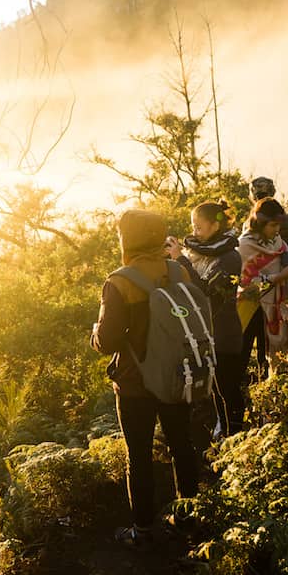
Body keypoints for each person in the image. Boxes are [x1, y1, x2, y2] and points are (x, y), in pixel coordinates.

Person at [91, 209, 198, 545]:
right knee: (182, 445)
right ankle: (188, 517)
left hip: (136, 382)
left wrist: (95, 334)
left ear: (128, 238)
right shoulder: (180, 271)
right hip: (178, 375)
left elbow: (107, 341)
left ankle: (143, 530)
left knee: (138, 456)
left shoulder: (120, 281)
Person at [170, 200, 245, 436]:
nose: (194, 232)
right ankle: (223, 433)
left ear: (214, 225)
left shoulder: (230, 258)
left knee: (228, 390)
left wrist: (181, 260)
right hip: (205, 334)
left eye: (199, 227)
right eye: (193, 226)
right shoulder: (197, 253)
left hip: (224, 334)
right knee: (214, 390)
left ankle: (236, 435)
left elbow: (206, 292)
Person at [237, 198, 288, 376]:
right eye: (272, 225)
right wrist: (279, 277)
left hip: (274, 306)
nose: (277, 230)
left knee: (268, 354)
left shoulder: (276, 240)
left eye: (278, 225)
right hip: (251, 307)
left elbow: (284, 256)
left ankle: (268, 391)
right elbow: (245, 282)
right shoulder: (245, 245)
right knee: (243, 354)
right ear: (260, 223)